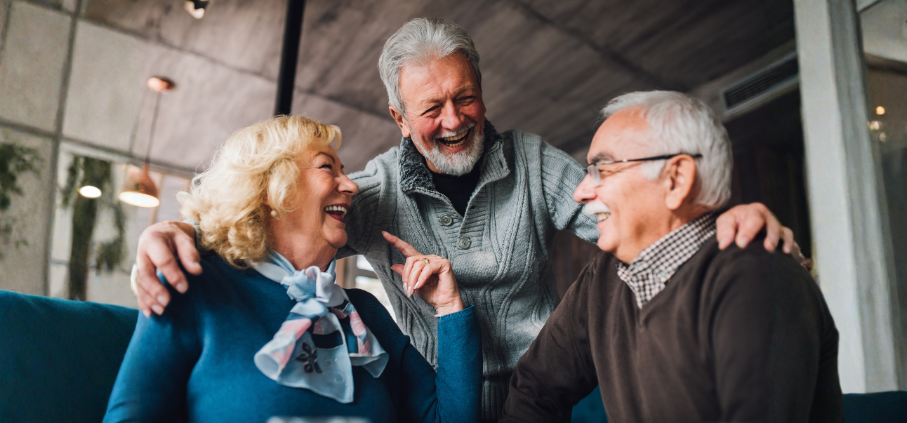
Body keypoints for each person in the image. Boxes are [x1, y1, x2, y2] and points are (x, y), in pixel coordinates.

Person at [130, 18, 806, 420]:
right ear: (398, 119)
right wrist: (180, 235)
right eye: (430, 109)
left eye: (465, 98)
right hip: (438, 395)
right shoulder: (366, 193)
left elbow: (630, 213)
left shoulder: (539, 165)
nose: (451, 121)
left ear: (482, 95)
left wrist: (715, 216)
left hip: (547, 392)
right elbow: (278, 211)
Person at [104, 116, 482, 423]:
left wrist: (450, 307)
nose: (350, 185)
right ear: (273, 190)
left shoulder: (363, 312)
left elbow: (450, 419)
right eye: (326, 168)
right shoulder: (193, 286)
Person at [502, 91, 843, 422]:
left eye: (601, 170)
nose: (580, 192)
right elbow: (534, 391)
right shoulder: (602, 279)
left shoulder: (758, 277)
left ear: (676, 179)